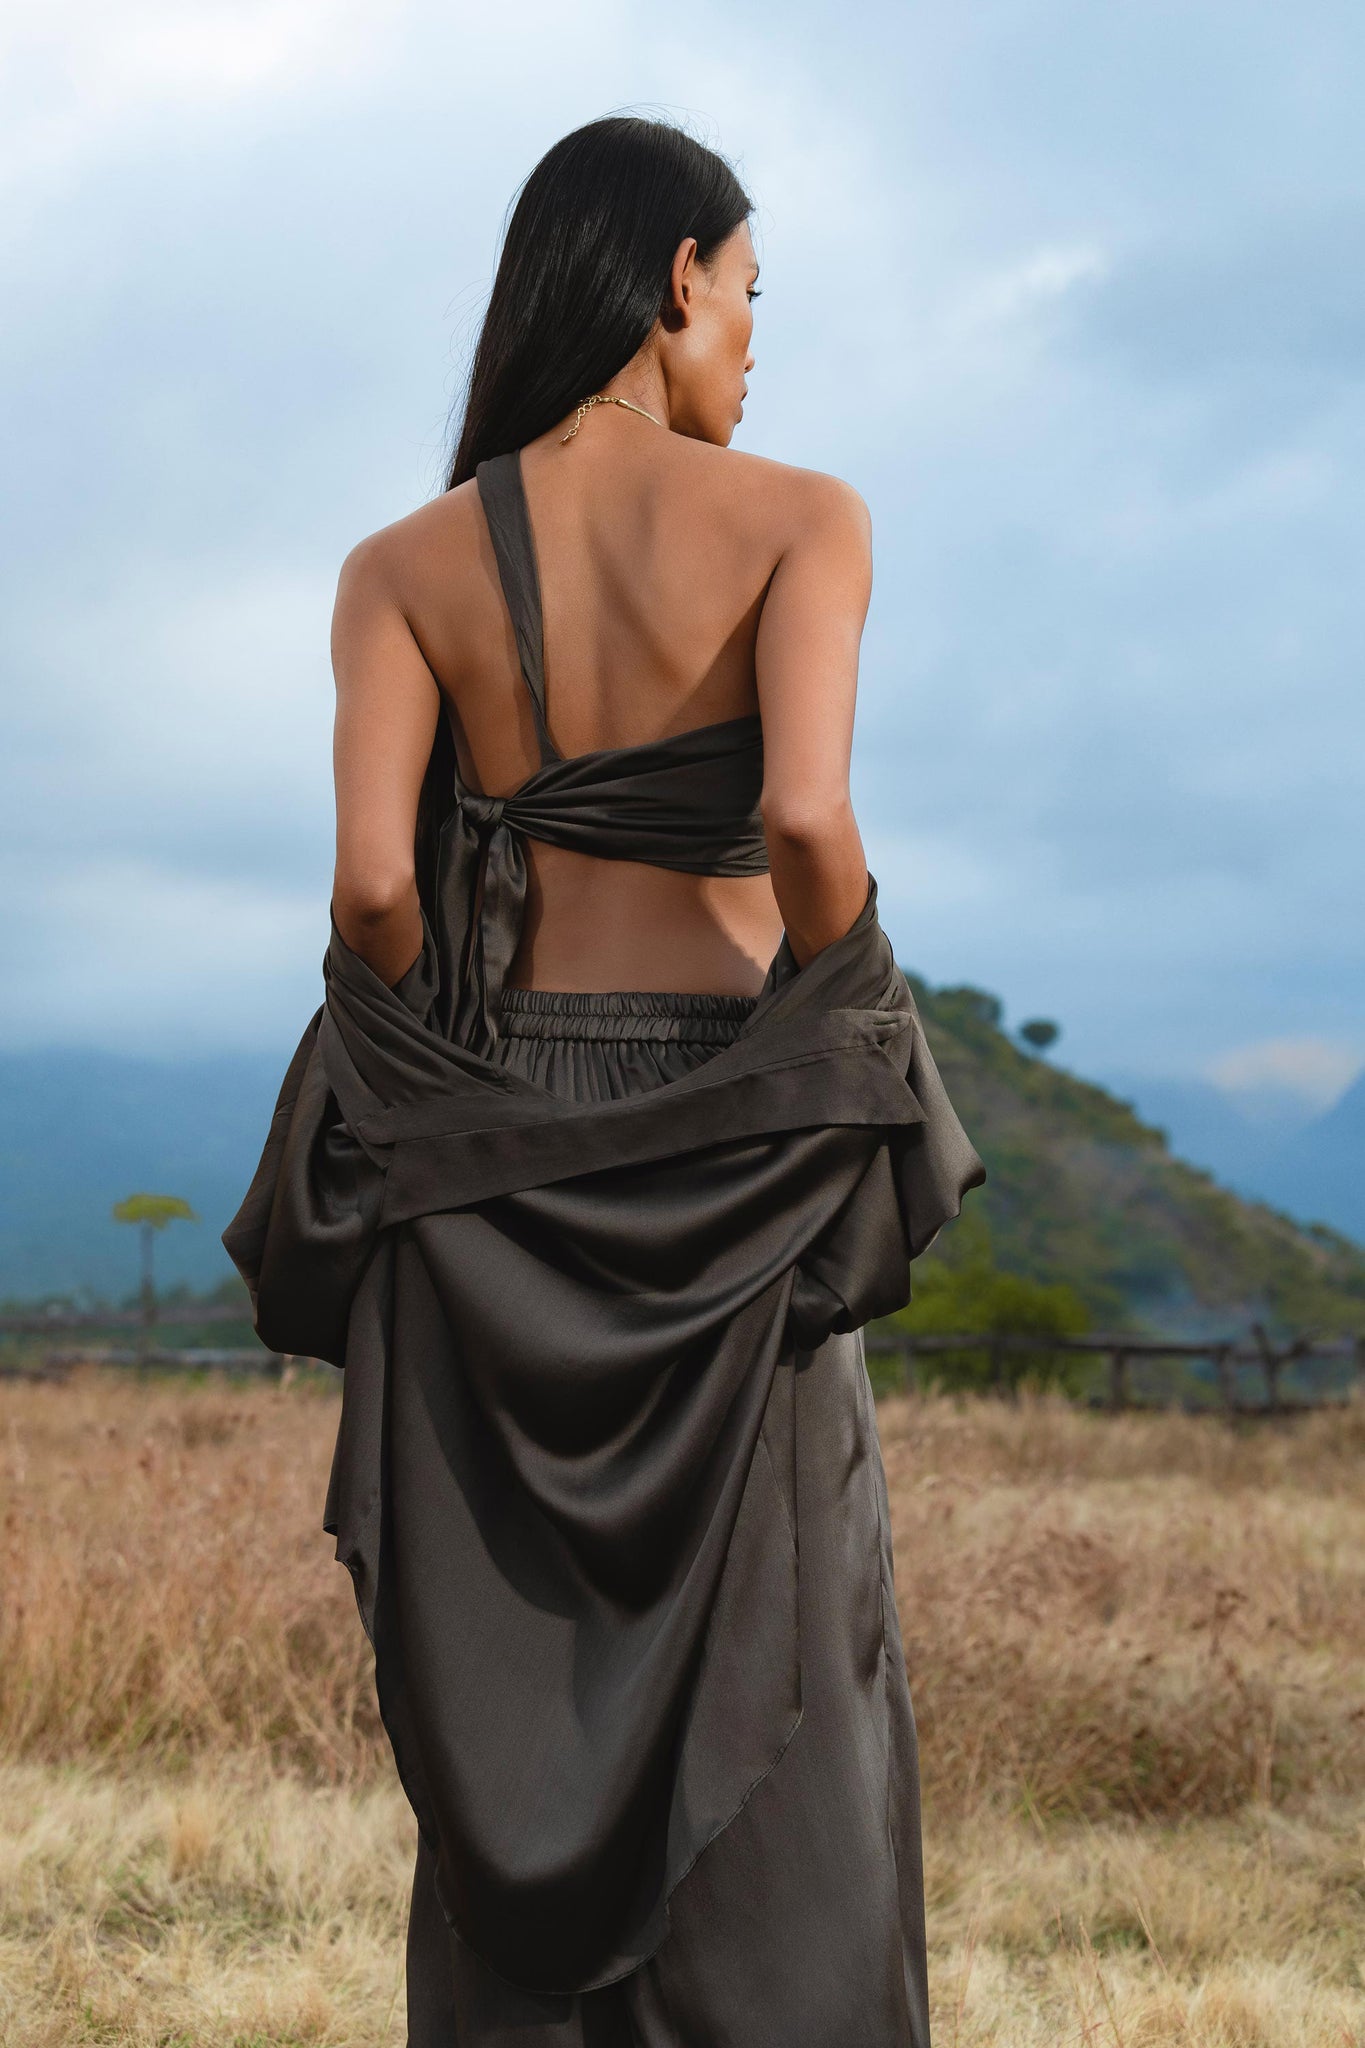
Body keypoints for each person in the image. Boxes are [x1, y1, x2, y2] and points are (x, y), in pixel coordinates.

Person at [225, 115, 983, 2048]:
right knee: (787, 1646)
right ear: (672, 278)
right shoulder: (806, 517)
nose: (753, 340)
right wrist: (845, 1029)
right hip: (741, 1131)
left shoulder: (403, 560)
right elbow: (806, 818)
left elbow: (376, 885)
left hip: (499, 1152)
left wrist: (447, 1093)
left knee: (523, 1653)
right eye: (747, 293)